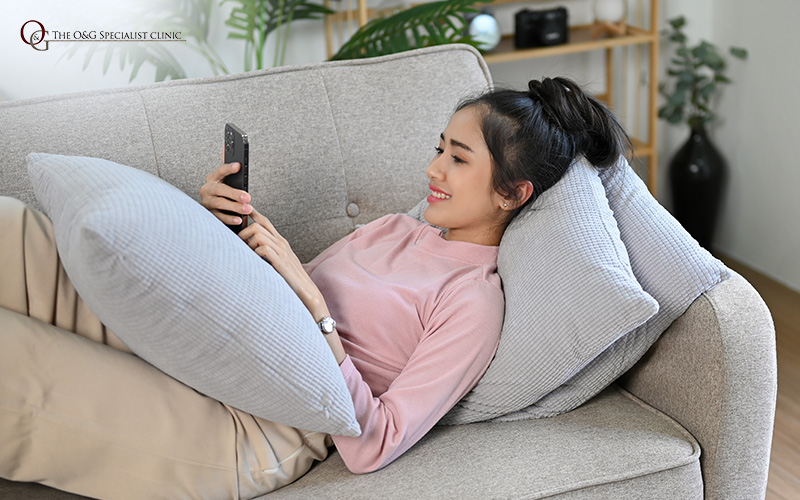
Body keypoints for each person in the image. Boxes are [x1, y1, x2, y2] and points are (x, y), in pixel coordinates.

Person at [0, 77, 631, 499]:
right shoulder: (394, 229)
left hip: (257, 426)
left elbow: (375, 443)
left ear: (512, 193)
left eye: (459, 159)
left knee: (15, 365)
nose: (434, 170)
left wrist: (319, 314)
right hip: (215, 345)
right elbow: (278, 298)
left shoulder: (473, 303)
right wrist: (219, 229)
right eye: (440, 148)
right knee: (18, 234)